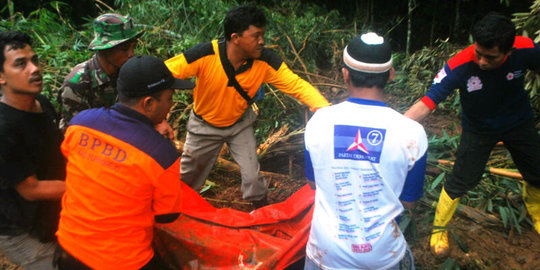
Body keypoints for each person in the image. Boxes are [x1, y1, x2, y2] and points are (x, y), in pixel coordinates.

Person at [165, 5, 330, 207]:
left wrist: (325, 109)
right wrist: (158, 117)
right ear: (235, 38)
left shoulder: (266, 61)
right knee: (188, 177)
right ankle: (177, 212)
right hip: (203, 126)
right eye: (256, 36)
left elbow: (296, 85)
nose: (262, 41)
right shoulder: (205, 55)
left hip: (239, 125)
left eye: (262, 35)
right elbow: (164, 73)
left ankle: (262, 213)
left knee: (252, 176)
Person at [404, 12, 540, 256]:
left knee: (537, 171)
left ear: (508, 52)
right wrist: (392, 126)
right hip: (479, 128)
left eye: (490, 57)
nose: (482, 61)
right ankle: (439, 229)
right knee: (462, 179)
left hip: (518, 121)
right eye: (478, 52)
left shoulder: (526, 49)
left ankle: (537, 213)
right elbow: (427, 102)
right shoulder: (460, 65)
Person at [55, 56, 195, 269]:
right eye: (169, 97)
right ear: (148, 103)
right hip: (122, 261)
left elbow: (75, 163)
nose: (171, 104)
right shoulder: (162, 155)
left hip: (68, 249)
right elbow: (167, 216)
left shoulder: (79, 124)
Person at [303, 32, 428, 270]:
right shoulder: (413, 133)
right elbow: (408, 202)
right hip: (382, 256)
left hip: (326, 255)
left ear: (345, 74)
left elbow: (313, 183)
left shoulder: (318, 122)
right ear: (391, 75)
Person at [0, 31, 66, 270]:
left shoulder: (43, 103)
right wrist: (89, 187)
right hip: (22, 232)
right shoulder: (4, 128)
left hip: (51, 216)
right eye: (21, 64)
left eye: (35, 60)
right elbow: (32, 189)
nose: (34, 68)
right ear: (1, 77)